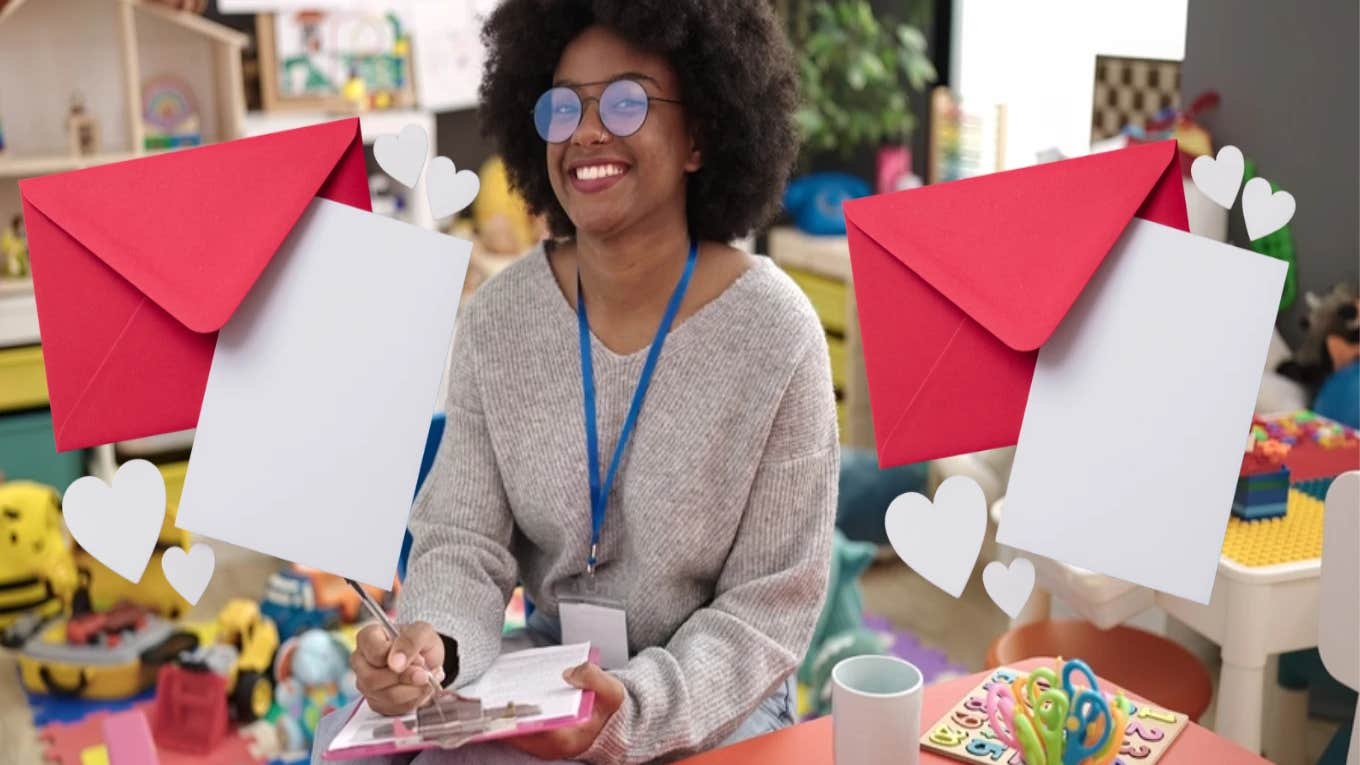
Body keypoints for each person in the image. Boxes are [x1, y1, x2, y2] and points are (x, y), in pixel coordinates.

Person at [312, 1, 838, 763]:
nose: (587, 131)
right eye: (563, 106)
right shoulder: (498, 319)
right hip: (548, 672)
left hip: (714, 694)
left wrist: (639, 708)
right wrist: (435, 643)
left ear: (700, 135)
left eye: (627, 101)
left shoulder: (776, 334)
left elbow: (768, 608)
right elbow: (462, 539)